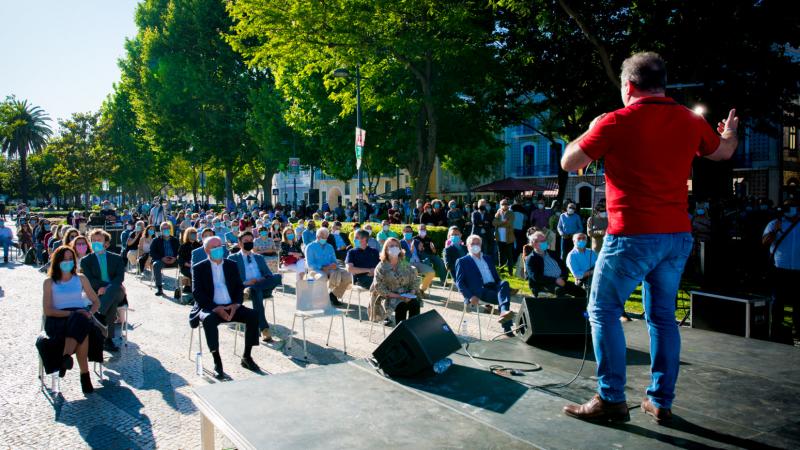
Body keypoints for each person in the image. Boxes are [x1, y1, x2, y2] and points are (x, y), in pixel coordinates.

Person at [560, 52, 739, 423]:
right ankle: (660, 401)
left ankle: (611, 399)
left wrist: (590, 126)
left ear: (628, 86)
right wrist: (730, 132)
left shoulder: (615, 121)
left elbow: (570, 162)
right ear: (662, 83)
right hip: (676, 236)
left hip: (632, 235)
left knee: (603, 310)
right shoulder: (690, 120)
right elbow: (723, 152)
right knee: (662, 317)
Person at [190, 236, 261, 380]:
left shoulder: (231, 265)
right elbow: (197, 293)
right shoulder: (199, 268)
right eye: (213, 247)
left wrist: (235, 305)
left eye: (219, 246)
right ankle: (217, 361)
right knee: (209, 321)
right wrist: (216, 308)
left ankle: (247, 356)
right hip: (211, 307)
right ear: (206, 250)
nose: (218, 249)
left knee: (253, 315)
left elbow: (238, 288)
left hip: (231, 305)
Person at [42, 246, 103, 394]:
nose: (68, 262)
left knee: (82, 323)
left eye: (71, 259)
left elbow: (96, 302)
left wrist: (90, 313)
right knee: (81, 324)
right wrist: (71, 314)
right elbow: (48, 310)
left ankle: (65, 358)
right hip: (58, 319)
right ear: (57, 261)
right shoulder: (49, 282)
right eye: (64, 259)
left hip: (80, 316)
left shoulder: (81, 279)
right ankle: (85, 376)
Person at [229, 231, 282, 343]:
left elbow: (268, 274)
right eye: (246, 241)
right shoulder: (233, 258)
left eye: (251, 241)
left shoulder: (259, 257)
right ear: (239, 243)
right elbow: (230, 280)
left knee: (277, 277)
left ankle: (253, 289)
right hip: (245, 289)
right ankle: (264, 329)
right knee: (255, 292)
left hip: (264, 287)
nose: (249, 243)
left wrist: (260, 280)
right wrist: (246, 283)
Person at [454, 235, 515, 334]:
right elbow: (459, 283)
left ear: (481, 245)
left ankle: (503, 313)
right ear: (467, 246)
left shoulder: (488, 258)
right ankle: (507, 327)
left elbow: (496, 277)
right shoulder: (462, 261)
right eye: (472, 243)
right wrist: (470, 296)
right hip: (479, 290)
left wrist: (503, 287)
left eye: (477, 243)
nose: (475, 245)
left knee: (504, 283)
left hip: (493, 286)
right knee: (504, 299)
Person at [80, 229, 126, 352]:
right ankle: (108, 339)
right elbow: (89, 279)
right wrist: (104, 287)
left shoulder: (116, 258)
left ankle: (99, 313)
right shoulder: (86, 261)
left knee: (114, 291)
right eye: (93, 240)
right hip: (96, 292)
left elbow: (119, 277)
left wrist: (107, 287)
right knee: (112, 302)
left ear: (105, 243)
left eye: (99, 240)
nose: (96, 242)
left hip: (116, 290)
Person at [762, 199, 800, 343]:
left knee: (798, 302)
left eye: (794, 206)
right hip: (780, 269)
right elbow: (765, 242)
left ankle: (797, 330)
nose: (792, 209)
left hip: (798, 269)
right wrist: (775, 230)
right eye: (789, 207)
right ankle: (777, 330)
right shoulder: (774, 223)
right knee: (779, 301)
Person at [371, 238, 422, 325]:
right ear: (386, 249)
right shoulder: (381, 266)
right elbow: (379, 287)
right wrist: (398, 296)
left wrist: (411, 293)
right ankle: (401, 334)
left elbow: (415, 279)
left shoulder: (403, 263)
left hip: (406, 294)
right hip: (388, 296)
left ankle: (413, 331)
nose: (394, 248)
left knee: (415, 304)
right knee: (401, 306)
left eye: (396, 246)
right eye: (391, 246)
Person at [526, 230, 586, 299]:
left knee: (581, 292)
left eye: (545, 240)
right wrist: (555, 280)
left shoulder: (552, 253)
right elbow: (536, 277)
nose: (545, 242)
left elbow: (564, 268)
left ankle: (578, 309)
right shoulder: (531, 259)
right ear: (534, 244)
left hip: (561, 281)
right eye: (542, 241)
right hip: (544, 285)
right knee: (560, 291)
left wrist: (562, 278)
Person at [305, 227, 352, 306]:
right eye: (323, 237)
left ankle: (333, 295)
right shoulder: (310, 247)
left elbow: (334, 260)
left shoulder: (329, 247)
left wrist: (334, 265)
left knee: (347, 275)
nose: (325, 239)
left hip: (331, 269)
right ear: (317, 236)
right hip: (316, 270)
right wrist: (323, 267)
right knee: (322, 277)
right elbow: (310, 264)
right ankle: (318, 299)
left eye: (326, 237)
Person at [399, 225, 436, 295]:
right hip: (408, 264)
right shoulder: (400, 243)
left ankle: (421, 289)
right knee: (414, 271)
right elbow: (403, 258)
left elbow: (421, 254)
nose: (409, 233)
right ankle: (413, 291)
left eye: (410, 231)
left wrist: (421, 250)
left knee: (431, 272)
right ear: (403, 232)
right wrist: (411, 251)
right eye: (407, 231)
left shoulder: (416, 241)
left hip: (418, 263)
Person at [150, 221, 180, 296]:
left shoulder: (175, 240)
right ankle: (159, 288)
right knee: (156, 264)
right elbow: (152, 253)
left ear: (170, 229)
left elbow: (180, 252)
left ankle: (183, 287)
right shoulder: (156, 240)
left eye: (167, 228)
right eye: (164, 229)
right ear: (161, 230)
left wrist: (175, 258)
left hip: (173, 260)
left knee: (184, 263)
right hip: (161, 260)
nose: (166, 230)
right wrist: (162, 258)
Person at [493, 199, 516, 276]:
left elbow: (509, 224)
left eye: (505, 204)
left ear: (508, 205)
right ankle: (501, 271)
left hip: (508, 238)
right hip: (499, 238)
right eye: (502, 204)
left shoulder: (511, 213)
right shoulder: (498, 213)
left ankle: (510, 272)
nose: (504, 205)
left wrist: (499, 223)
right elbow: (494, 223)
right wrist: (503, 222)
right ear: (500, 205)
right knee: (500, 255)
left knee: (509, 256)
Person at [470, 199, 496, 264]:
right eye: (482, 204)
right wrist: (484, 223)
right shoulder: (474, 213)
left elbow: (490, 223)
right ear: (478, 205)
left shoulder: (488, 214)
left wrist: (482, 223)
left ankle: (485, 263)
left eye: (484, 204)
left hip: (486, 235)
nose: (483, 206)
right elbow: (475, 222)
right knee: (475, 249)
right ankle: (475, 263)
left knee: (485, 249)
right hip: (476, 234)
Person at [177, 227, 201, 295]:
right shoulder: (183, 246)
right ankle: (194, 291)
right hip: (186, 267)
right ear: (188, 234)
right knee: (193, 273)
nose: (194, 235)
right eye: (192, 233)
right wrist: (187, 264)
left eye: (195, 233)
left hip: (197, 265)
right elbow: (180, 258)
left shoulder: (198, 245)